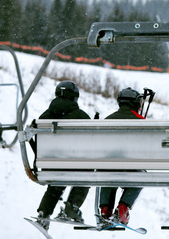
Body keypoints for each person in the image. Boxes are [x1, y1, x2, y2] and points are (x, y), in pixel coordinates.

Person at [34, 81, 91, 231]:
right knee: (87, 171)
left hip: (49, 165)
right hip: (75, 165)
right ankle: (72, 206)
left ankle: (43, 212)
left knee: (57, 179)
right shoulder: (82, 116)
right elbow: (91, 143)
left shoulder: (43, 117)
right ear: (74, 97)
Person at [98, 87, 146, 225]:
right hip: (130, 168)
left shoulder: (107, 120)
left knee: (108, 174)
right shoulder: (142, 121)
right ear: (136, 103)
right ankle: (123, 208)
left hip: (108, 168)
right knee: (141, 176)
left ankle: (105, 210)